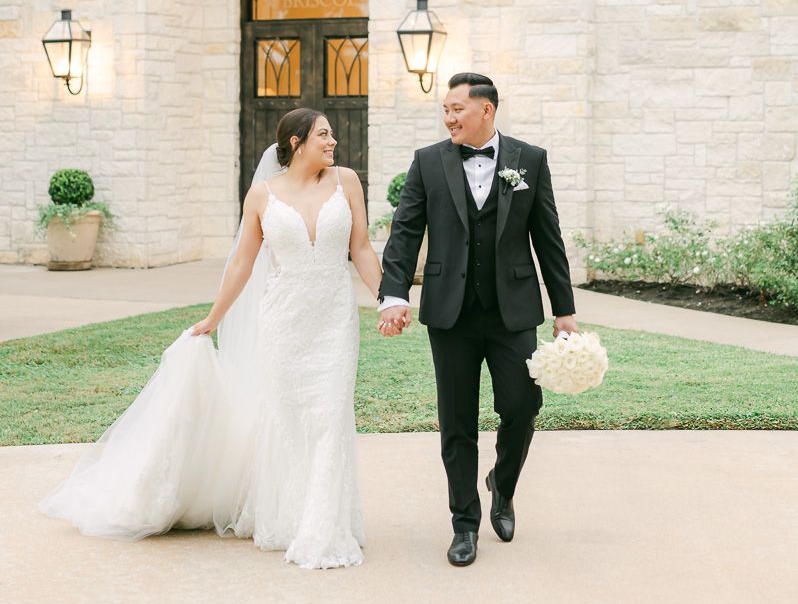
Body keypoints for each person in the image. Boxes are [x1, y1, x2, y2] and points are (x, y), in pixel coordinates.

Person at [40, 108, 384, 570]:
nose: (333, 142)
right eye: (324, 134)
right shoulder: (263, 195)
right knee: (286, 417)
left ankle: (324, 526)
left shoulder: (347, 183)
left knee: (329, 413)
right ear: (298, 142)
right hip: (283, 322)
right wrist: (213, 318)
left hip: (333, 320)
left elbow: (359, 247)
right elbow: (242, 262)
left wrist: (389, 300)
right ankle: (288, 516)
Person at [378, 72, 578, 567]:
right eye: (444, 110)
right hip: (451, 313)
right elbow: (405, 233)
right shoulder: (428, 162)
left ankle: (502, 486)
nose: (449, 118)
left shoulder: (529, 160)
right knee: (457, 422)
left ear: (486, 110)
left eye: (457, 109)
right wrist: (393, 295)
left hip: (513, 312)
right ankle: (464, 524)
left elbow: (547, 238)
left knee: (522, 406)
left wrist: (564, 311)